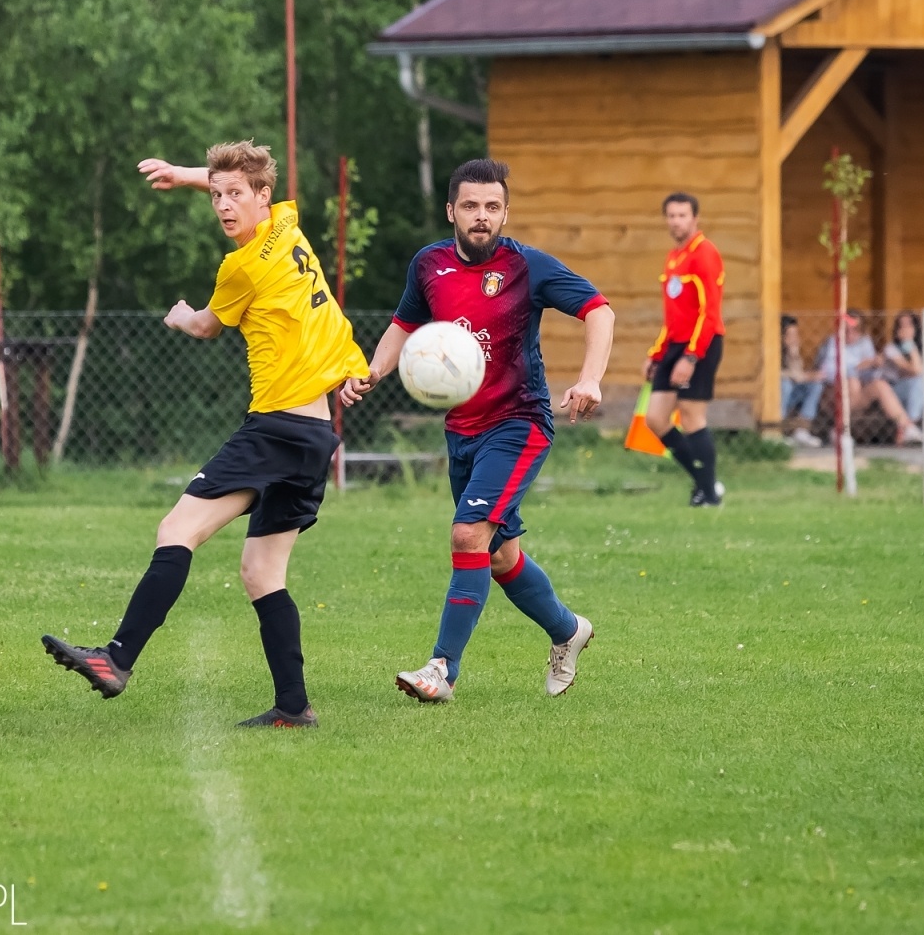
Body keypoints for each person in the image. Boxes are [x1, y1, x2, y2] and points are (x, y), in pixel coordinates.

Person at [41, 141, 369, 729]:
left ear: (262, 196)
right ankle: (294, 707)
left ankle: (116, 659)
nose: (222, 205)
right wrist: (188, 176)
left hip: (276, 428)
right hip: (315, 434)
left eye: (233, 196)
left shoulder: (241, 267)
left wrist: (180, 315)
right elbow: (239, 178)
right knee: (262, 574)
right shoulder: (289, 227)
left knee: (177, 530)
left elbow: (205, 327)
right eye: (216, 195)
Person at [341, 159, 615, 704]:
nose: (481, 216)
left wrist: (591, 379)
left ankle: (442, 669)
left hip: (518, 422)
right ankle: (568, 631)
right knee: (499, 555)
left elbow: (598, 310)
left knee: (468, 535)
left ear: (506, 213)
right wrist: (372, 371)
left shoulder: (527, 267)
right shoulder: (429, 265)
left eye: (492, 206)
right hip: (461, 430)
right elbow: (403, 325)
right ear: (451, 211)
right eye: (470, 206)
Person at [642, 193, 726, 506]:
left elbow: (709, 313)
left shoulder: (705, 253)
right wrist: (656, 354)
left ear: (695, 218)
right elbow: (674, 317)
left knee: (691, 416)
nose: (676, 221)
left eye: (682, 215)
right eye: (672, 215)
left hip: (701, 344)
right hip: (675, 345)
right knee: (655, 418)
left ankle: (709, 495)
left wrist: (691, 357)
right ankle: (706, 483)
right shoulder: (674, 257)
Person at [816, 315, 922, 444]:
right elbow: (827, 372)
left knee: (879, 384)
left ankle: (907, 427)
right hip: (834, 391)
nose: (850, 334)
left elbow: (871, 374)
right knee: (852, 381)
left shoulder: (865, 342)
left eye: (855, 330)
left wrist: (874, 364)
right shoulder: (832, 343)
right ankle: (839, 429)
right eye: (846, 330)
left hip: (857, 394)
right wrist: (856, 368)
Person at [882, 311, 924, 435]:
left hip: (919, 391)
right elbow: (916, 370)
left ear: (916, 329)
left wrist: (917, 349)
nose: (905, 329)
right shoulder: (891, 349)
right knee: (919, 380)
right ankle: (912, 424)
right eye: (901, 326)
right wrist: (909, 344)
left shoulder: (922, 349)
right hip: (896, 391)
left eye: (909, 325)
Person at [780, 316, 822, 447]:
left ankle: (801, 430)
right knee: (785, 384)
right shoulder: (771, 351)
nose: (795, 338)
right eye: (790, 335)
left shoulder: (792, 351)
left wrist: (793, 355)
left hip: (791, 396)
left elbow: (798, 374)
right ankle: (777, 431)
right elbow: (775, 374)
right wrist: (794, 375)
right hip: (776, 398)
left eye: (796, 334)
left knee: (815, 385)